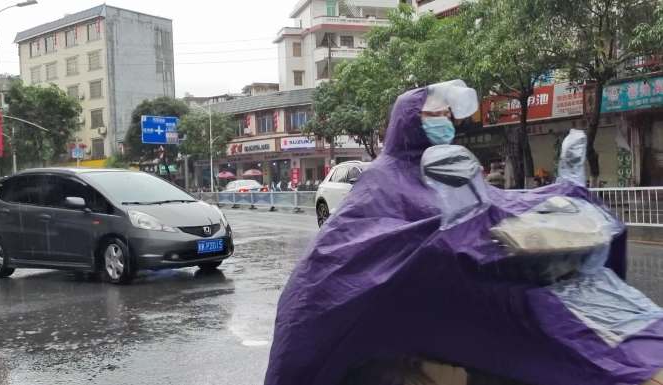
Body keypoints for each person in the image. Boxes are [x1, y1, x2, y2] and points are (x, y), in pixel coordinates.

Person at [264, 80, 660, 385]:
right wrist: (470, 231)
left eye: (447, 116)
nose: (445, 123)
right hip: (396, 316)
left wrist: (564, 192)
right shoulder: (385, 179)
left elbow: (499, 204)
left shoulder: (446, 167)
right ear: (411, 120)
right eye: (435, 116)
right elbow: (397, 233)